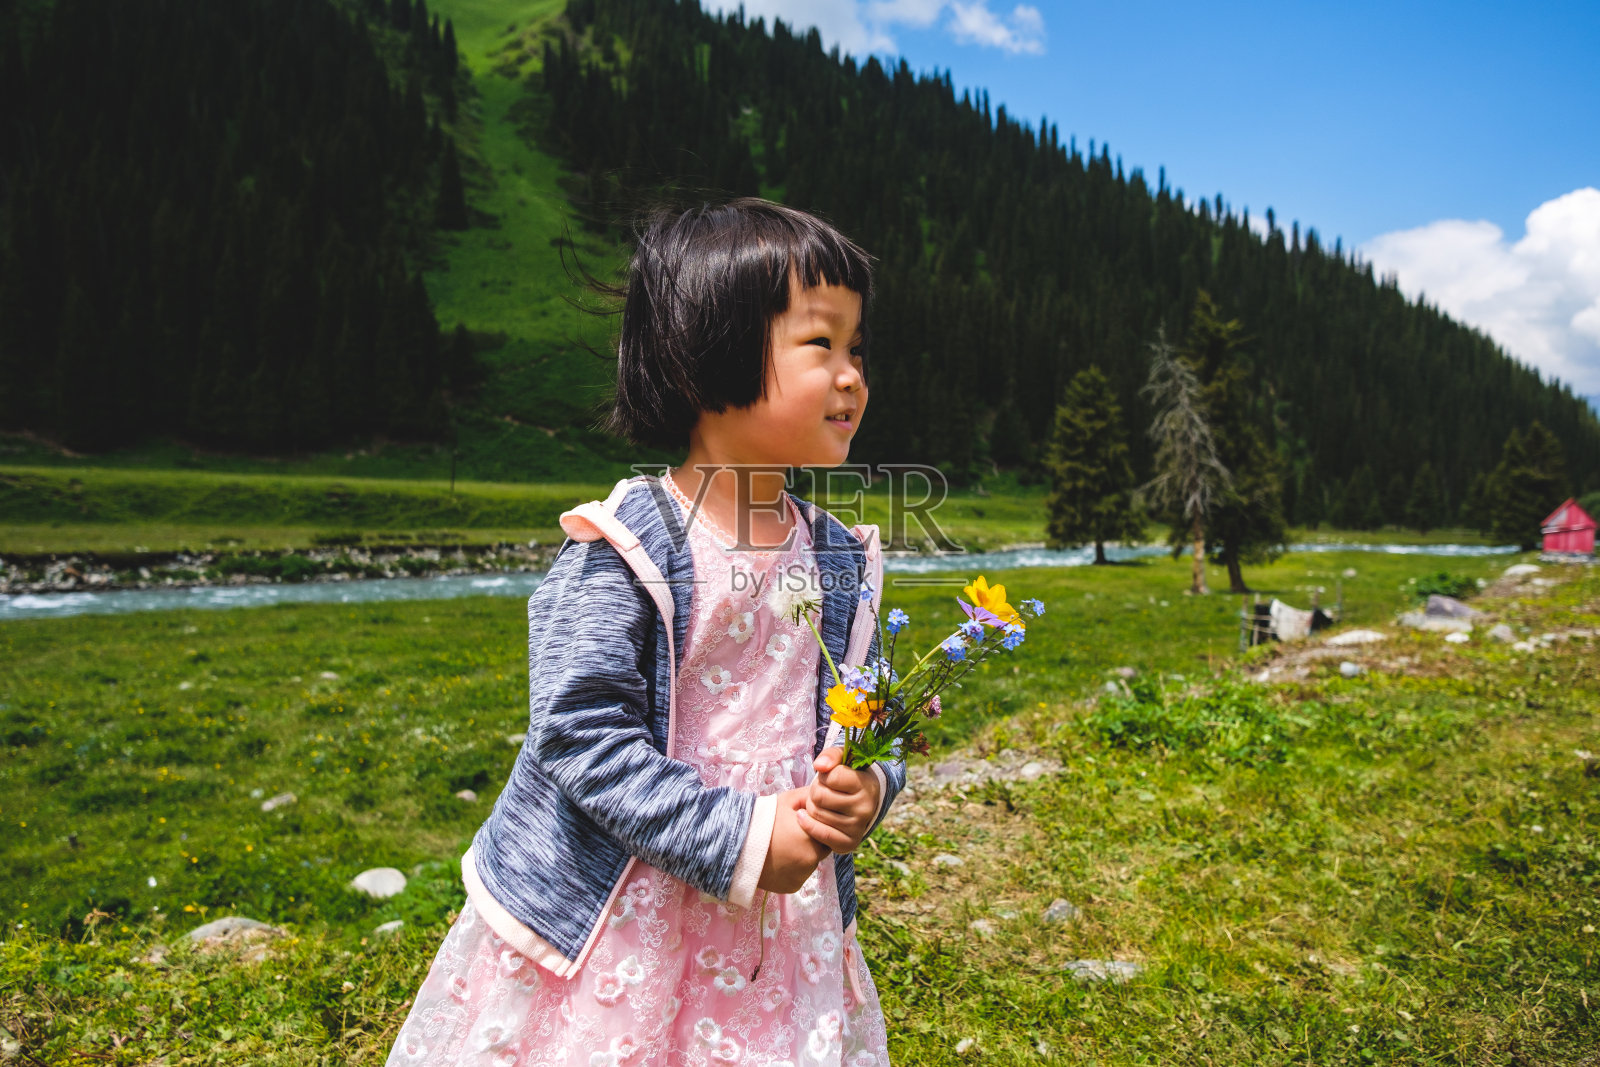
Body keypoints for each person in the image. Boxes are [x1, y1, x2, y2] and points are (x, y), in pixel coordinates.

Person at [386, 198, 904, 1067]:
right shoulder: (628, 545)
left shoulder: (841, 557)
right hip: (626, 916)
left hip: (784, 920)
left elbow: (873, 711)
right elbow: (579, 736)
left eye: (857, 349)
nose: (852, 374)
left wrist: (873, 785)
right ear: (706, 360)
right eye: (821, 344)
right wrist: (737, 836)